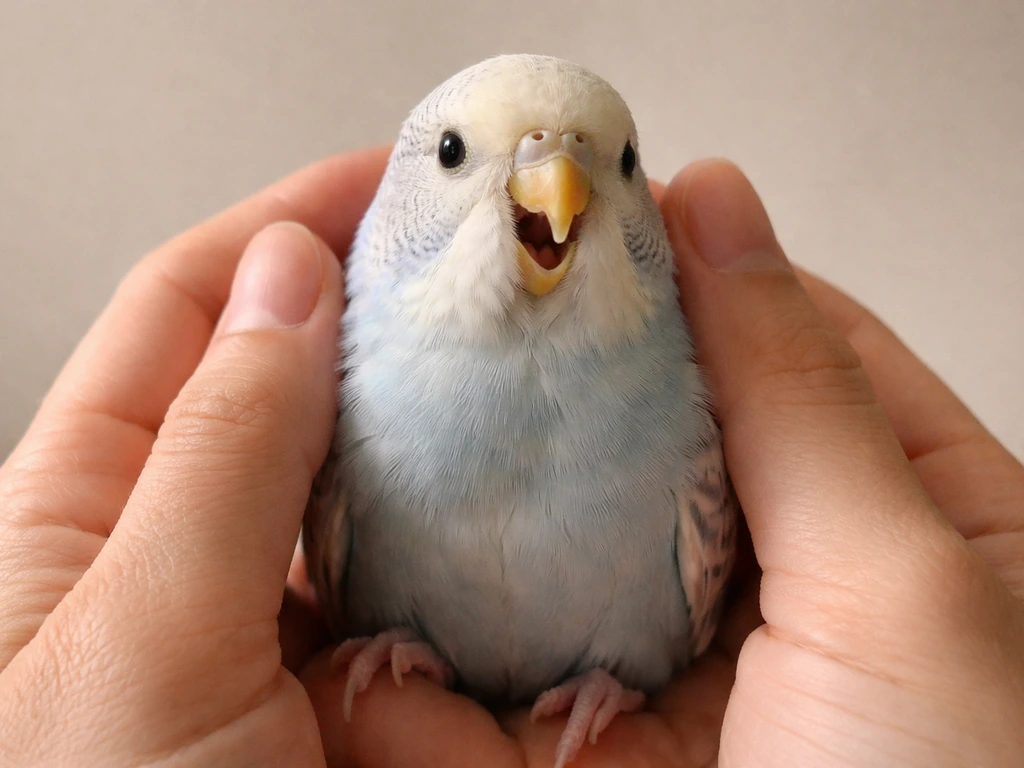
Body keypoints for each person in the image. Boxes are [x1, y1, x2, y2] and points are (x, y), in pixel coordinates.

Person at [0, 147, 1021, 768]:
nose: (554, 172)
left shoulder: (692, 419)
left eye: (613, 160)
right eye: (453, 153)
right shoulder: (344, 418)